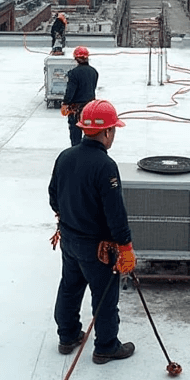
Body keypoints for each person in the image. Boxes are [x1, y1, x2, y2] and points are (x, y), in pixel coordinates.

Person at [48, 99, 137, 365]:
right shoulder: (105, 166)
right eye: (114, 130)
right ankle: (106, 346)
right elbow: (115, 213)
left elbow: (54, 197)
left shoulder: (66, 156)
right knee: (105, 296)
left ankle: (67, 336)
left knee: (70, 287)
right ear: (107, 131)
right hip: (98, 247)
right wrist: (125, 246)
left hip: (70, 240)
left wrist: (70, 218)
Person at [62, 46, 99, 146]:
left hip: (76, 109)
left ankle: (77, 153)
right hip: (90, 108)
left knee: (76, 136)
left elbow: (70, 91)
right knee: (90, 134)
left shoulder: (74, 73)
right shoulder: (94, 72)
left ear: (76, 58)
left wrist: (65, 103)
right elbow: (92, 88)